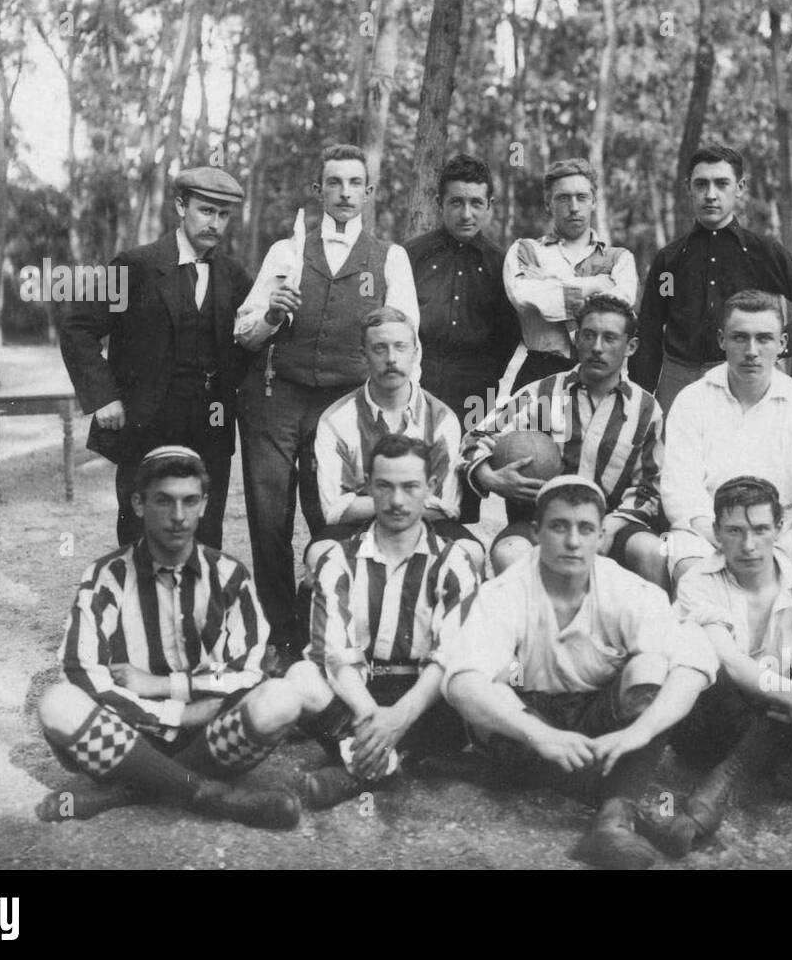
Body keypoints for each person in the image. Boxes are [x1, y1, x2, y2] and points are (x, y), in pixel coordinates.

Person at [437, 476, 717, 869]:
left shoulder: (625, 589)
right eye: (559, 526)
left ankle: (612, 820)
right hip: (528, 725)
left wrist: (643, 729)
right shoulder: (505, 592)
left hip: (595, 727)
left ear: (601, 536)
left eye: (585, 529)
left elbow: (695, 661)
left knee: (652, 665)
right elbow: (463, 684)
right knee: (496, 677)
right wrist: (540, 734)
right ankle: (622, 802)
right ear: (536, 531)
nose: (572, 541)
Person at [36, 447, 304, 830]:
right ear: (139, 504)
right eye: (164, 501)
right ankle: (212, 796)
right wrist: (174, 713)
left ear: (205, 504)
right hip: (131, 731)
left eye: (190, 501)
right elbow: (82, 671)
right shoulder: (107, 576)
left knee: (282, 696)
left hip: (209, 735)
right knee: (56, 703)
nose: (179, 517)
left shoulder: (228, 575)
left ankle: (133, 788)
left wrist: (169, 687)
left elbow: (250, 670)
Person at [234, 144, 419, 661]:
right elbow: (244, 334)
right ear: (319, 191)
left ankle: (335, 627)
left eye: (354, 183)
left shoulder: (390, 258)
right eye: (333, 183)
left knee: (335, 516)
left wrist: (400, 407)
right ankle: (280, 637)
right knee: (269, 519)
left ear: (369, 191)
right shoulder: (286, 251)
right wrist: (272, 314)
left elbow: (406, 340)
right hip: (275, 396)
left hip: (342, 404)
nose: (343, 193)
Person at [638, 477, 792, 858]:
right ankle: (778, 776)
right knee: (710, 665)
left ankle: (725, 786)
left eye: (760, 529)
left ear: (779, 530)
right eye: (735, 531)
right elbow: (733, 665)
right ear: (716, 533)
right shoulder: (697, 582)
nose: (749, 545)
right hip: (710, 730)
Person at [284, 434, 481, 809]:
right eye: (385, 486)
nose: (396, 501)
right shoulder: (338, 559)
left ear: (431, 488)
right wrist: (375, 717)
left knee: (474, 681)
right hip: (360, 701)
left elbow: (450, 655)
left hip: (425, 703)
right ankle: (392, 761)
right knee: (300, 678)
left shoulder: (454, 561)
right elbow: (334, 654)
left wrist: (401, 717)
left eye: (410, 487)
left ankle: (362, 765)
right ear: (368, 487)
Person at [60, 167, 252, 548]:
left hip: (210, 429)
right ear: (181, 206)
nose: (214, 223)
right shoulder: (136, 265)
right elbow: (78, 328)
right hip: (146, 425)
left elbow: (249, 343)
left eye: (223, 215)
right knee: (139, 532)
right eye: (206, 210)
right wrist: (104, 397)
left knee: (204, 534)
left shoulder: (233, 276)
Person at [662, 290, 792, 607]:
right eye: (740, 338)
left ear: (782, 343)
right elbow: (681, 495)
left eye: (764, 338)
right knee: (689, 567)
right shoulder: (691, 400)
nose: (751, 351)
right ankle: (708, 655)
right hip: (711, 533)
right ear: (722, 340)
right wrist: (727, 541)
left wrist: (778, 547)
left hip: (786, 533)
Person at [461, 295, 667, 586]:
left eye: (609, 338)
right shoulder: (542, 393)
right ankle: (531, 630)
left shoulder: (646, 409)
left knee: (654, 550)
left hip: (611, 522)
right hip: (542, 520)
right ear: (576, 339)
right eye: (589, 336)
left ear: (630, 346)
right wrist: (489, 477)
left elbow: (649, 486)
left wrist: (611, 525)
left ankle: (649, 631)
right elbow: (477, 435)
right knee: (509, 552)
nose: (597, 347)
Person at [301, 308, 483, 624]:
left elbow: (448, 507)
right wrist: (408, 499)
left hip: (427, 526)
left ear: (416, 352)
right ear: (364, 355)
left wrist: (371, 502)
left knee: (472, 551)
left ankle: (451, 653)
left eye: (400, 347)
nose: (391, 358)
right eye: (379, 348)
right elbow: (334, 510)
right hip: (357, 528)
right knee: (320, 555)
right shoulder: (336, 420)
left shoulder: (442, 420)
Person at [631, 144, 792, 411]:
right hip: (679, 384)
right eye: (701, 184)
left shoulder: (763, 253)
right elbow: (649, 332)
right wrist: (641, 401)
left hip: (747, 382)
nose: (710, 195)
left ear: (739, 188)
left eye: (721, 184)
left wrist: (776, 345)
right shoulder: (669, 260)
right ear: (688, 188)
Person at [403, 155, 522, 523]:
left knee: (460, 492)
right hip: (416, 385)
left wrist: (481, 382)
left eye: (476, 203)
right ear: (440, 204)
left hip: (474, 390)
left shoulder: (503, 265)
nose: (466, 213)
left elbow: (507, 338)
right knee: (409, 481)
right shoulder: (411, 256)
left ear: (490, 206)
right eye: (456, 202)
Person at [503, 158, 638, 392]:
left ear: (594, 202)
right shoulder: (525, 250)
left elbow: (617, 310)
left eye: (582, 197)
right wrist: (594, 286)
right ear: (548, 204)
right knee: (530, 430)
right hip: (540, 371)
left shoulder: (619, 258)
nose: (574, 207)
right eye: (563, 198)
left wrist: (550, 284)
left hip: (599, 373)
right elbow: (525, 297)